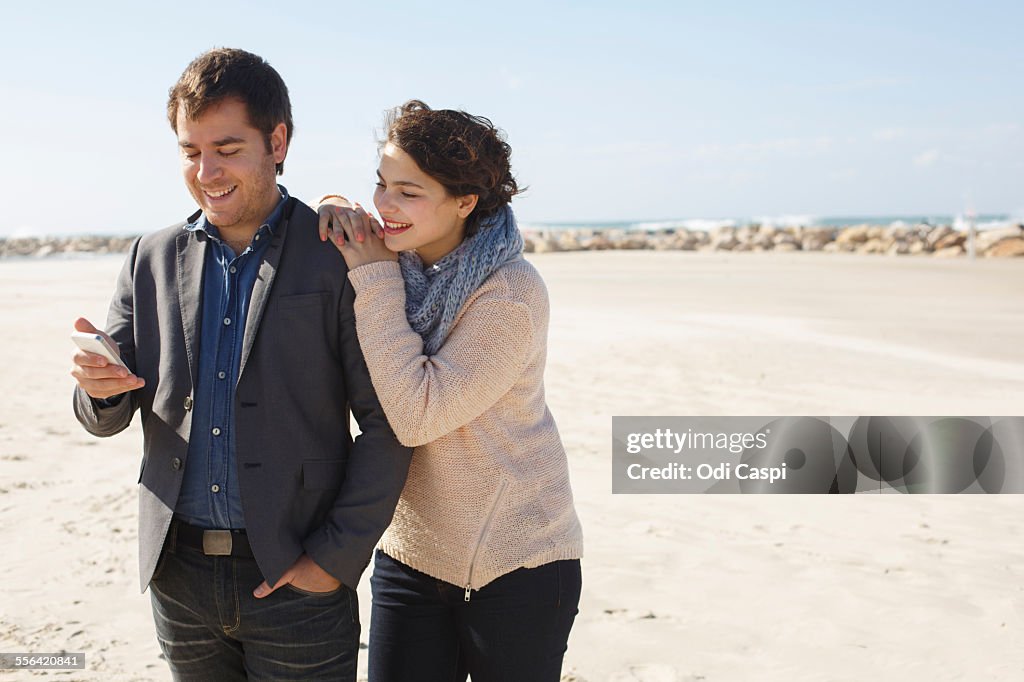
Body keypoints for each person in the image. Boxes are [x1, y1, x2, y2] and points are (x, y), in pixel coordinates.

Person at [70, 48, 412, 681]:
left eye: (227, 149)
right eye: (189, 150)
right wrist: (101, 390)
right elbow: (101, 414)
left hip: (297, 579)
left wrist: (332, 562)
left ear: (277, 141)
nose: (206, 171)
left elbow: (391, 422)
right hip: (178, 579)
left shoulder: (340, 254)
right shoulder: (150, 255)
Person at [317, 101, 584, 682]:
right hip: (410, 552)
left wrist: (376, 275)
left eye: (409, 192)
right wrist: (336, 204)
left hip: (522, 560)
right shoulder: (396, 257)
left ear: (465, 202)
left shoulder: (509, 291)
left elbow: (417, 414)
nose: (387, 205)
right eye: (381, 185)